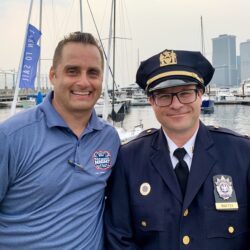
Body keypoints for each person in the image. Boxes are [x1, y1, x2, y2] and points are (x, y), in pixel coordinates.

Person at [104, 49, 250, 250]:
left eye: (185, 93)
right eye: (164, 96)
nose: (176, 104)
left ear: (201, 94)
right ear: (151, 101)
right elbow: (119, 239)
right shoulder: (129, 160)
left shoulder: (242, 155)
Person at [0, 32, 120, 249]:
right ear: (53, 75)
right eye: (72, 71)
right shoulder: (11, 137)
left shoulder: (109, 139)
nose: (83, 82)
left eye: (93, 73)